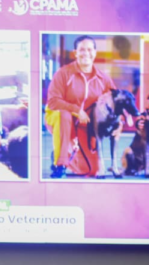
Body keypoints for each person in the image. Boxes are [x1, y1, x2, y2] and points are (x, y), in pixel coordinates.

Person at [46, 35, 117, 178]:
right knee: (64, 115)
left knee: (92, 170)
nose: (86, 53)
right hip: (59, 119)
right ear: (75, 53)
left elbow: (115, 102)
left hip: (85, 125)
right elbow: (53, 101)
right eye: (82, 50)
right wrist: (76, 110)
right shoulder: (63, 74)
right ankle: (60, 164)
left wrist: (118, 124)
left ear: (95, 52)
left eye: (90, 50)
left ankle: (66, 153)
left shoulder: (103, 79)